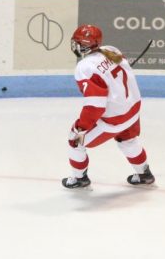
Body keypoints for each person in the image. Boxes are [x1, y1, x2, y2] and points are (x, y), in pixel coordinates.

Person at [62, 24, 155, 189]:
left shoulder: (85, 67)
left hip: (115, 119)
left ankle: (79, 178)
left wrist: (81, 128)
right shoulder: (111, 50)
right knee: (128, 140)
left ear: (83, 45)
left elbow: (95, 105)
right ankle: (144, 174)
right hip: (132, 111)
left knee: (75, 141)